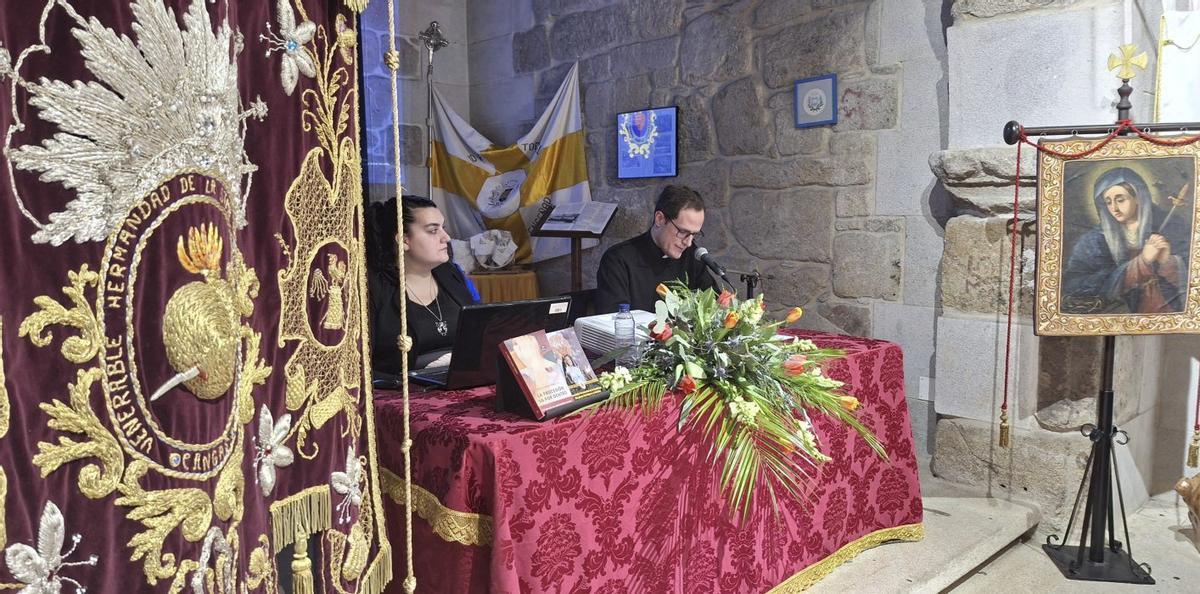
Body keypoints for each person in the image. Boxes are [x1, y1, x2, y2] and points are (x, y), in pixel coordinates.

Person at [366, 196, 480, 377]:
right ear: (404, 240)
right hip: (401, 393)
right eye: (433, 230)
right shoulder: (373, 287)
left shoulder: (450, 274)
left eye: (443, 228)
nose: (446, 237)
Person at [1062, 167, 1189, 314]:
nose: (1114, 208)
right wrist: (1141, 263)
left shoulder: (1171, 227)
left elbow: (1192, 280)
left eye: (1120, 200)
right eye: (1108, 202)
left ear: (1138, 198)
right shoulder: (1094, 240)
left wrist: (1168, 262)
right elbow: (1073, 285)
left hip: (1163, 313)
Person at [595, 185, 719, 313]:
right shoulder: (618, 260)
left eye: (694, 234)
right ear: (660, 219)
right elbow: (614, 321)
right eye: (683, 232)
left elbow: (714, 305)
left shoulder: (692, 255)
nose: (688, 243)